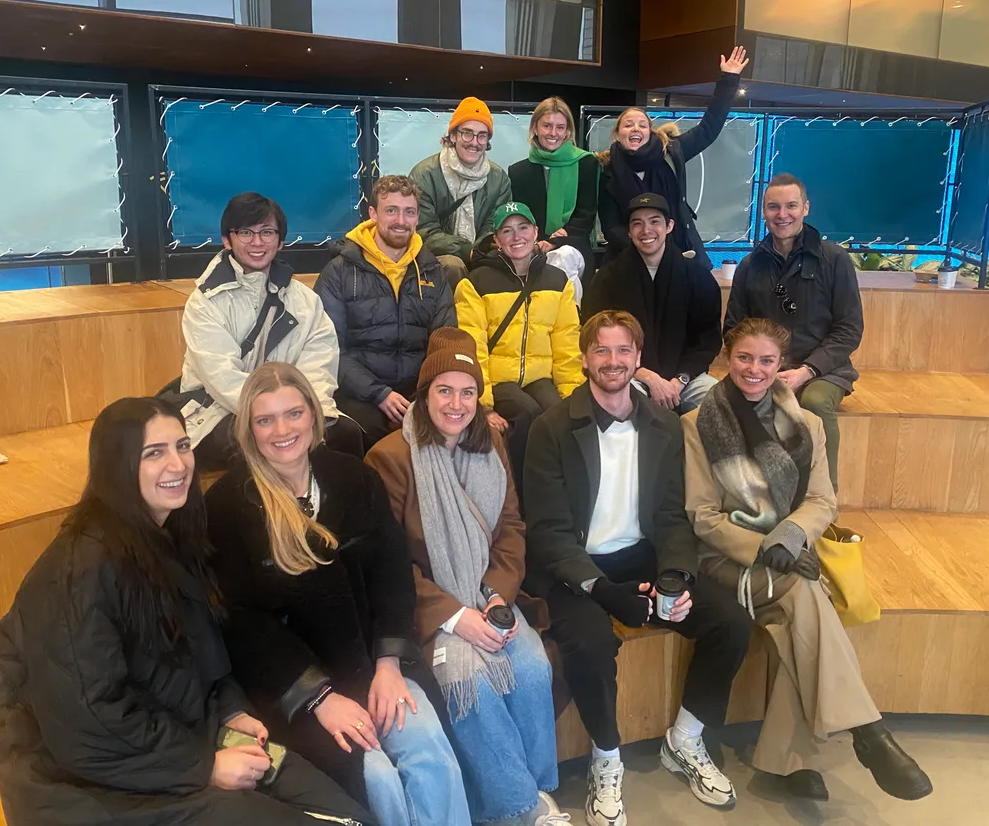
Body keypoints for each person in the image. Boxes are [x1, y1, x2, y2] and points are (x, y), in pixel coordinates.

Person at [0, 397, 374, 826]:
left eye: (183, 446)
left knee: (349, 816)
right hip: (92, 782)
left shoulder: (170, 535)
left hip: (184, 734)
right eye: (154, 453)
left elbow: (205, 651)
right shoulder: (77, 575)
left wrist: (232, 711)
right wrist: (203, 767)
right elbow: (88, 727)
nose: (178, 465)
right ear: (116, 466)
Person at [204, 362, 471, 826]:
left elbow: (392, 575)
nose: (282, 430)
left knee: (429, 751)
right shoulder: (227, 506)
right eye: (265, 419)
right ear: (248, 428)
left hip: (373, 664)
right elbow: (241, 626)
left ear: (314, 415)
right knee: (377, 778)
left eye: (293, 414)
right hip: (298, 689)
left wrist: (389, 664)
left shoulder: (354, 477)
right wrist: (320, 698)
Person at [683, 318, 932, 803]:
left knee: (803, 604)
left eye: (766, 361)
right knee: (805, 593)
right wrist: (764, 547)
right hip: (727, 558)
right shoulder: (697, 425)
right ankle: (868, 732)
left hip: (790, 554)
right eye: (744, 358)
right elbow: (702, 515)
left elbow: (822, 501)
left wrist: (790, 536)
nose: (754, 369)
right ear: (727, 359)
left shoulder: (810, 424)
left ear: (782, 366)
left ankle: (791, 760)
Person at [523, 310, 752, 824]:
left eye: (623, 350)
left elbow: (672, 516)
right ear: (584, 359)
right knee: (590, 641)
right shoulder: (550, 428)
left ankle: (685, 739)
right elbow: (549, 533)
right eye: (601, 350)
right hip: (574, 570)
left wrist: (676, 577)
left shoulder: (663, 425)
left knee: (731, 622)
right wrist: (602, 590)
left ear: (638, 358)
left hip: (642, 559)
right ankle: (607, 760)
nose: (612, 360)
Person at [365, 328, 568, 826]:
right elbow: (387, 566)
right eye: (444, 390)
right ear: (424, 394)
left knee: (532, 667)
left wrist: (497, 599)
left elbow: (510, 528)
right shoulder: (390, 458)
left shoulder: (491, 444)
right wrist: (457, 617)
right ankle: (523, 808)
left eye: (468, 392)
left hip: (487, 592)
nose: (456, 404)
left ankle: (529, 791)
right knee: (468, 679)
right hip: (431, 605)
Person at [177, 192, 362, 466]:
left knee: (346, 435)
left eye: (267, 232)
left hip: (296, 407)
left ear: (280, 241)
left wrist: (304, 412)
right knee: (255, 443)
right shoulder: (205, 301)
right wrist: (274, 416)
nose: (257, 242)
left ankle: (329, 507)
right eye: (245, 233)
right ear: (227, 240)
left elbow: (320, 364)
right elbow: (222, 377)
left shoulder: (304, 300)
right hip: (221, 408)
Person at [724, 174, 863, 491]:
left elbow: (849, 328)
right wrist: (758, 368)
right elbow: (733, 327)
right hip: (765, 367)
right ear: (763, 211)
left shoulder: (835, 260)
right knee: (725, 402)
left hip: (824, 370)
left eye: (791, 206)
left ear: (806, 208)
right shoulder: (750, 265)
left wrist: (807, 370)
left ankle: (824, 498)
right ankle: (750, 498)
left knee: (813, 402)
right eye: (773, 207)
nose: (782, 214)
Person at [314, 176, 456, 450]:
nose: (400, 220)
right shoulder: (340, 271)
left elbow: (445, 342)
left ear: (417, 219)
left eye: (409, 212)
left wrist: (426, 394)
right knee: (358, 436)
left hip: (419, 391)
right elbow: (329, 349)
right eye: (391, 210)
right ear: (373, 213)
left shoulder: (432, 271)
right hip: (361, 393)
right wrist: (379, 393)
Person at [456, 201, 585, 496]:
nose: (517, 237)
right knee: (526, 413)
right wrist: (482, 405)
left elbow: (566, 344)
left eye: (523, 228)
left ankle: (560, 495)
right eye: (507, 231)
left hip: (540, 377)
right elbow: (472, 347)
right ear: (497, 241)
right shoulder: (476, 283)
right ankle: (519, 497)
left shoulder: (556, 281)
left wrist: (574, 396)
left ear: (536, 232)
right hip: (499, 379)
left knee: (559, 413)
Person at [596, 47, 749, 267]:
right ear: (618, 134)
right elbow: (611, 226)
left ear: (650, 131)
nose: (635, 129)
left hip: (681, 252)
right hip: (631, 257)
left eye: (642, 125)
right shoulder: (606, 170)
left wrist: (728, 80)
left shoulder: (671, 152)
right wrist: (646, 250)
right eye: (628, 125)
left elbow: (708, 128)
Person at [582, 193, 722, 414]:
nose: (646, 231)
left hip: (686, 379)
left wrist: (679, 379)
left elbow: (707, 341)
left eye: (654, 221)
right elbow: (593, 337)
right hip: (630, 375)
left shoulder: (697, 277)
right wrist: (646, 375)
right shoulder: (608, 278)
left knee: (720, 403)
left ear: (669, 226)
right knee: (617, 402)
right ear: (629, 232)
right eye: (637, 224)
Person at [410, 97, 513, 286]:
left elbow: (495, 224)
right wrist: (467, 250)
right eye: (467, 133)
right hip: (436, 256)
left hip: (481, 253)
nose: (474, 142)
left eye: (482, 135)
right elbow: (423, 232)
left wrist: (481, 250)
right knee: (453, 265)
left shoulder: (498, 178)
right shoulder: (424, 175)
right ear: (453, 136)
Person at [508, 96, 600, 286]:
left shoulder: (586, 163)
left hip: (573, 241)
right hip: (532, 245)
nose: (553, 133)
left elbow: (586, 214)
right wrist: (536, 243)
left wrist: (557, 240)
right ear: (535, 128)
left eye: (560, 127)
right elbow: (521, 217)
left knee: (561, 259)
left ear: (567, 131)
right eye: (547, 126)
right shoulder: (518, 171)